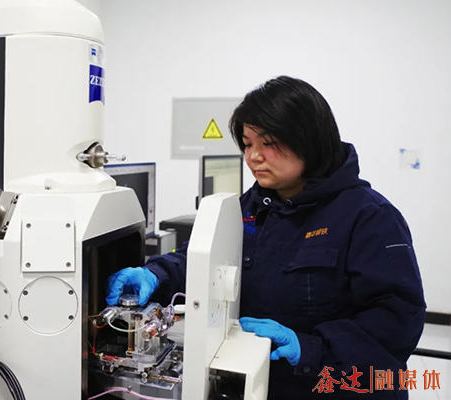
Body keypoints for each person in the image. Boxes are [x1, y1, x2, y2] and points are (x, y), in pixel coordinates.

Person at [105, 76, 426, 399]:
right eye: (247, 144)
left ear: (310, 139)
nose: (253, 156)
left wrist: (310, 348)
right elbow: (204, 262)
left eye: (269, 143)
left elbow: (398, 322)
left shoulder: (370, 216)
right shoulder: (254, 205)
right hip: (263, 383)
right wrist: (155, 274)